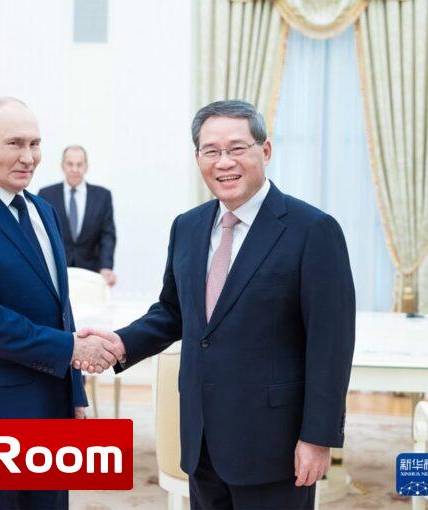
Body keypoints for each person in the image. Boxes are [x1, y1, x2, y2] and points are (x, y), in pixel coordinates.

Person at [77, 100, 356, 509]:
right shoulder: (187, 226)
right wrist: (121, 343)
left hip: (274, 446)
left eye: (237, 148)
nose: (224, 162)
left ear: (265, 150)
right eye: (211, 151)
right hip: (202, 439)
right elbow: (173, 311)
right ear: (198, 158)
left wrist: (317, 437)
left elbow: (331, 345)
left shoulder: (313, 230)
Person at [0, 97, 123, 510]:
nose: (28, 157)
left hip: (51, 408)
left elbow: (59, 308)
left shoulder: (43, 211)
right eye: (14, 143)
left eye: (35, 144)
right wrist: (72, 349)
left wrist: (75, 393)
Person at [38, 145, 117, 286]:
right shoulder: (46, 195)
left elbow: (107, 235)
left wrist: (106, 266)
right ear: (62, 166)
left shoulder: (102, 196)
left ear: (86, 166)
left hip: (91, 272)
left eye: (79, 164)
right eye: (70, 164)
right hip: (55, 271)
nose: (74, 169)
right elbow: (40, 233)